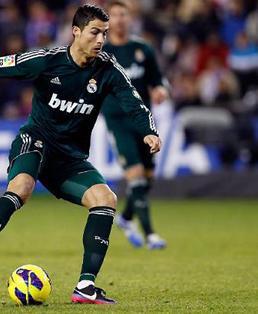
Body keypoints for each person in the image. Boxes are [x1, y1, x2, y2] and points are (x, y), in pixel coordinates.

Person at [0, 4, 162, 305]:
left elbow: (134, 102)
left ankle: (86, 287)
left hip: (69, 159)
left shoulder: (107, 69)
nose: (101, 40)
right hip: (35, 142)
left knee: (106, 199)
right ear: (76, 32)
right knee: (21, 189)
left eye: (104, 34)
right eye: (95, 32)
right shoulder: (46, 60)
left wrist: (149, 130)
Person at [101, 0, 168, 250]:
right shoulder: (102, 53)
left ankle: (127, 218)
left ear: (130, 19)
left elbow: (157, 79)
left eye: (123, 15)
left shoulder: (143, 48)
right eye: (114, 15)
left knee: (148, 177)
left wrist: (161, 88)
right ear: (108, 21)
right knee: (136, 176)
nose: (119, 19)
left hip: (143, 119)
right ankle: (150, 234)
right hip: (117, 120)